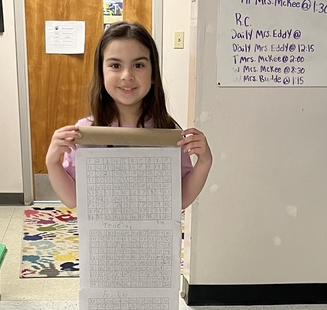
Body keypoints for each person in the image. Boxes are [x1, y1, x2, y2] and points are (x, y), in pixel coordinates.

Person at [46, 22, 212, 209]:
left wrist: (204, 162)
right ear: (101, 73)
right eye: (115, 65)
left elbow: (179, 199)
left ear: (153, 74)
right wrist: (52, 162)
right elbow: (73, 199)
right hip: (103, 235)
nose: (127, 75)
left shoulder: (167, 132)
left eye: (138, 65)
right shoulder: (86, 132)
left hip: (153, 235)